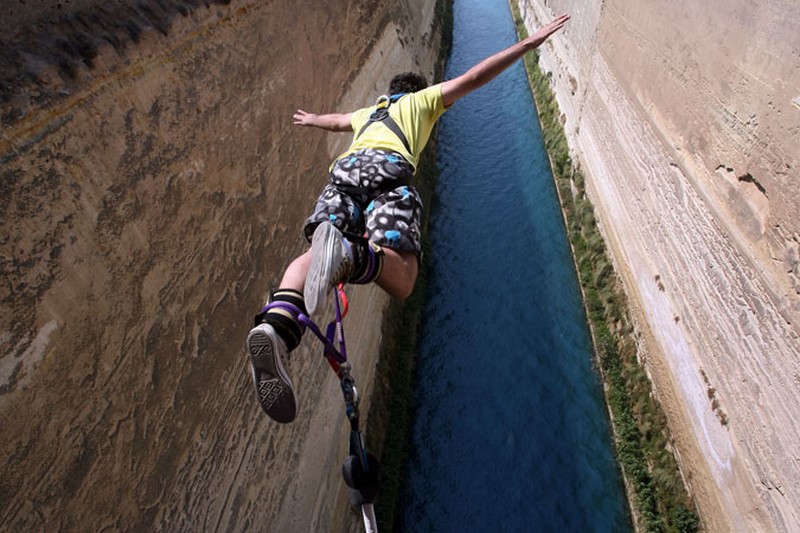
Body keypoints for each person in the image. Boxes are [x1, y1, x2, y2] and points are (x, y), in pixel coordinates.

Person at [247, 13, 571, 423]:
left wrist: (311, 120)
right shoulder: (423, 102)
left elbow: (336, 122)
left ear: (389, 93)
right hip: (389, 170)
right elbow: (473, 76)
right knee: (401, 278)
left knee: (312, 253)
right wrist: (527, 44)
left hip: (346, 170)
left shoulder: (369, 112)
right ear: (418, 92)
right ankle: (350, 255)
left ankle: (276, 328)